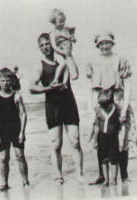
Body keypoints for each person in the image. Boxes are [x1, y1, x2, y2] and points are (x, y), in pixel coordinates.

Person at [29, 33, 83, 184]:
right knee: (56, 143)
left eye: (47, 43)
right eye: (42, 45)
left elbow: (75, 75)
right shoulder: (39, 65)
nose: (46, 47)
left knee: (75, 141)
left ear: (52, 45)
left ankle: (80, 173)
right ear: (39, 48)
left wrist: (69, 55)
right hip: (53, 106)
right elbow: (31, 88)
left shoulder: (64, 59)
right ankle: (58, 175)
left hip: (69, 103)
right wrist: (48, 88)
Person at [86, 31, 137, 184]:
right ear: (97, 45)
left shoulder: (121, 59)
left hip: (118, 100)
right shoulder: (93, 61)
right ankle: (103, 176)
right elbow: (90, 88)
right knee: (101, 139)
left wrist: (125, 106)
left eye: (107, 42)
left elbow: (127, 85)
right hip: (100, 102)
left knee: (122, 138)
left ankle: (124, 175)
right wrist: (91, 109)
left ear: (112, 43)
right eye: (101, 43)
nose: (104, 46)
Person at [0, 67, 29, 191]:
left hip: (16, 129)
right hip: (3, 130)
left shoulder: (17, 96)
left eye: (7, 80)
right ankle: (4, 183)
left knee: (20, 156)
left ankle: (25, 181)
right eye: (2, 80)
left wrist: (22, 132)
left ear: (11, 81)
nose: (5, 83)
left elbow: (23, 114)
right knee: (4, 158)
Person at [89, 88, 120, 186]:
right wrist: (95, 141)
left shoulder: (117, 109)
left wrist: (122, 139)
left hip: (113, 137)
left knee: (113, 159)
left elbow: (121, 125)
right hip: (101, 137)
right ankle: (106, 179)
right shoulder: (98, 110)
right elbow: (96, 126)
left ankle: (113, 179)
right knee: (103, 159)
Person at [49, 8, 79, 88]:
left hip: (67, 52)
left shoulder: (66, 30)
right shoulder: (53, 33)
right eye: (60, 22)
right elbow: (54, 46)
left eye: (63, 21)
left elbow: (73, 40)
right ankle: (55, 79)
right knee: (63, 63)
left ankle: (65, 82)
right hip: (59, 52)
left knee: (68, 67)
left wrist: (73, 38)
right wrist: (62, 52)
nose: (62, 23)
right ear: (54, 22)